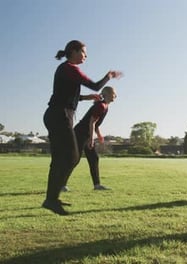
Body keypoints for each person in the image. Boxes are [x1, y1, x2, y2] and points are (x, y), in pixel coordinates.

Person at [42, 40, 122, 215]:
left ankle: (51, 199)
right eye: (84, 52)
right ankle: (52, 198)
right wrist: (109, 76)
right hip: (60, 115)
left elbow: (68, 95)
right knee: (72, 156)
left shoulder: (66, 70)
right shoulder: (70, 69)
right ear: (74, 51)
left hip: (58, 114)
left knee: (60, 158)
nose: (86, 56)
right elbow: (95, 85)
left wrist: (86, 98)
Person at [61, 86, 117, 192]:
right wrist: (91, 139)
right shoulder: (101, 106)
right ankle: (61, 185)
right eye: (114, 93)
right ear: (107, 94)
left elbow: (96, 124)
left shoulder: (105, 106)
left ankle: (97, 185)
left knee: (94, 158)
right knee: (75, 159)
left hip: (86, 134)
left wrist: (99, 135)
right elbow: (92, 122)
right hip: (80, 133)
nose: (115, 96)